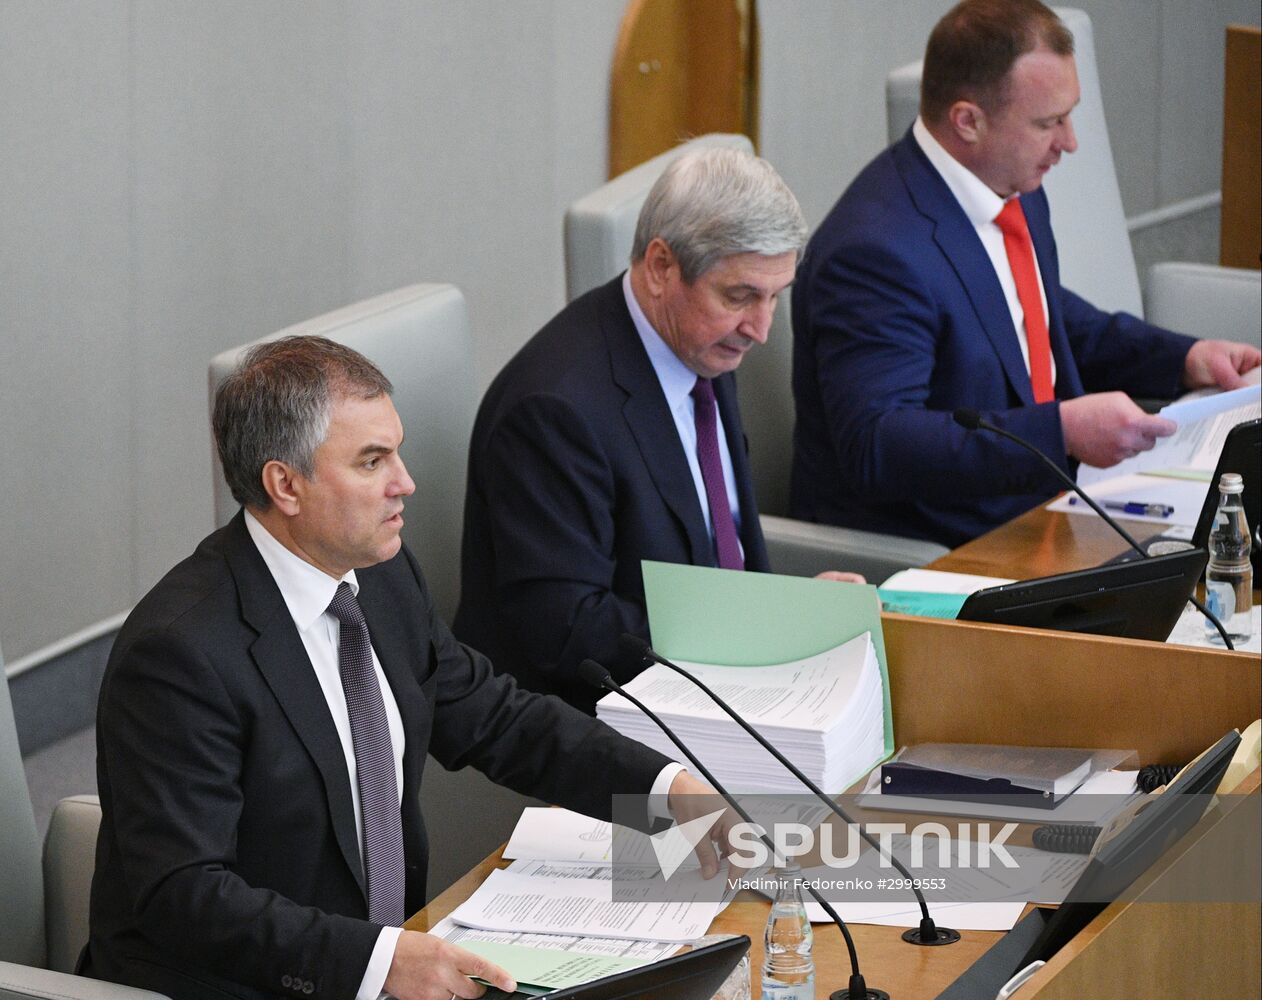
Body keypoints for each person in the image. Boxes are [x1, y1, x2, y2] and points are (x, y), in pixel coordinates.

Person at [85, 336, 732, 1000]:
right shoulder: (180, 654)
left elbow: (496, 718)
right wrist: (380, 961)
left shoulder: (381, 575)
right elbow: (186, 895)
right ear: (285, 484)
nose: (406, 483)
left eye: (397, 450)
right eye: (372, 462)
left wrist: (667, 791)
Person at [790, 0, 1260, 549]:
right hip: (942, 543)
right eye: (1048, 122)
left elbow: (1038, 319)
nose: (1070, 142)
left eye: (1070, 114)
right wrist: (1061, 430)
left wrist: (1183, 358)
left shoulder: (1009, 186)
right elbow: (880, 445)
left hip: (1046, 505)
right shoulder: (874, 252)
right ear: (968, 121)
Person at [454, 147, 862, 714]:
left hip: (722, 693)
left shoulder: (699, 343)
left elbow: (721, 548)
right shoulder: (553, 411)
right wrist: (760, 635)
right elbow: (566, 633)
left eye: (775, 298)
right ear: (662, 266)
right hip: (600, 732)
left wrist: (788, 616)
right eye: (741, 295)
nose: (762, 329)